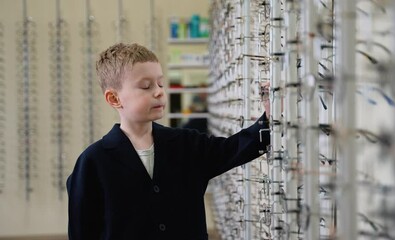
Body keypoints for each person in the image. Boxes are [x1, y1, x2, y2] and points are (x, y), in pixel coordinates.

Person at [67, 43, 270, 240]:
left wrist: (270, 116)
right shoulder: (93, 162)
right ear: (114, 98)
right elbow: (82, 231)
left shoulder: (187, 145)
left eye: (160, 83)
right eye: (146, 86)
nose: (159, 91)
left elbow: (237, 148)